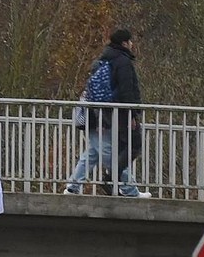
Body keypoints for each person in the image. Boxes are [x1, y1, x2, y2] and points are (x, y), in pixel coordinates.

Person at [63, 28, 150, 198]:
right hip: (105, 117)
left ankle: (73, 187)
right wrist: (132, 114)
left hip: (97, 115)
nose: (132, 44)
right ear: (125, 43)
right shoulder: (122, 62)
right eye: (130, 41)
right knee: (111, 155)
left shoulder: (104, 60)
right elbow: (127, 91)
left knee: (93, 153)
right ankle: (130, 189)